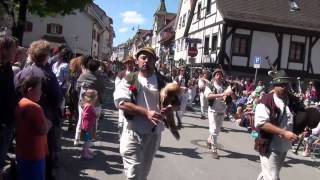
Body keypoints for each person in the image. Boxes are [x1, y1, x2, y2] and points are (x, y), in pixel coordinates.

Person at [113, 47, 171, 180]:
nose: (146, 61)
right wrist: (146, 113)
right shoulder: (129, 79)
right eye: (143, 58)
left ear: (155, 61)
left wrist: (169, 108)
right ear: (137, 61)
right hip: (133, 131)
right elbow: (121, 103)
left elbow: (176, 102)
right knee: (133, 173)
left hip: (153, 134)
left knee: (143, 173)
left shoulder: (163, 81)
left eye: (150, 58)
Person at [15, 40, 63, 180]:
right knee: (44, 153)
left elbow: (15, 92)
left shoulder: (21, 73)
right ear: (46, 55)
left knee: (25, 149)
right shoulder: (47, 74)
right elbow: (57, 98)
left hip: (23, 116)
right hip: (44, 119)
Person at [254, 71, 301, 180]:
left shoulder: (291, 100)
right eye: (281, 85)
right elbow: (262, 124)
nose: (284, 87)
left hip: (284, 145)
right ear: (274, 86)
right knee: (272, 176)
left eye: (286, 85)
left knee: (269, 173)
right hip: (269, 145)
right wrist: (283, 132)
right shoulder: (266, 100)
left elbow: (298, 115)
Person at [15, 76, 51, 180]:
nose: (41, 92)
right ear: (30, 90)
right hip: (35, 155)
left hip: (22, 152)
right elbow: (43, 130)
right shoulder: (35, 108)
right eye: (39, 89)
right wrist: (49, 122)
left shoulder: (20, 103)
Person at [0, 35, 18, 177]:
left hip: (8, 119)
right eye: (13, 48)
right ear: (4, 50)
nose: (15, 51)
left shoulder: (8, 68)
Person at [204, 68, 230, 159]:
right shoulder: (210, 86)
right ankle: (214, 149)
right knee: (214, 130)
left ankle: (208, 140)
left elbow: (233, 97)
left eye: (220, 75)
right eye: (217, 75)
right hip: (213, 111)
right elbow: (209, 95)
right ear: (214, 77)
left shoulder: (226, 86)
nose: (219, 76)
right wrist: (222, 94)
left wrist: (230, 93)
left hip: (222, 111)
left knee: (216, 130)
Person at [114, 55, 136, 137]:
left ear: (133, 64)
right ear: (125, 64)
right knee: (121, 121)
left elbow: (138, 87)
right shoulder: (121, 73)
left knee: (129, 121)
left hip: (132, 100)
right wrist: (128, 87)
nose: (129, 65)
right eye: (128, 63)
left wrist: (132, 88)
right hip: (122, 99)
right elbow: (117, 85)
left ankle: (127, 137)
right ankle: (121, 136)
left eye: (131, 63)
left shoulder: (136, 74)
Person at [80, 89, 98, 159]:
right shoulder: (88, 106)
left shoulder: (89, 105)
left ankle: (87, 150)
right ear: (93, 98)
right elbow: (85, 116)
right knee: (87, 140)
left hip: (90, 125)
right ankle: (84, 153)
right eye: (96, 97)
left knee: (89, 139)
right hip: (87, 126)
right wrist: (95, 115)